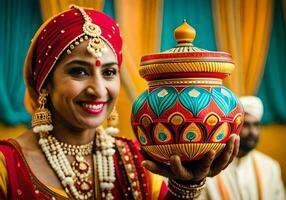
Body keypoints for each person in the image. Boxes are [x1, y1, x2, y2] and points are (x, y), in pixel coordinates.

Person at [0, 5, 239, 200]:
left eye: (109, 72)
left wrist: (185, 186)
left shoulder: (137, 158)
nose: (98, 89)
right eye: (79, 72)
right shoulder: (6, 166)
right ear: (44, 83)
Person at [204, 96, 286, 200]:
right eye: (246, 125)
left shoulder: (270, 167)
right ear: (234, 128)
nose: (253, 132)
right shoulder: (210, 168)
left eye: (256, 125)